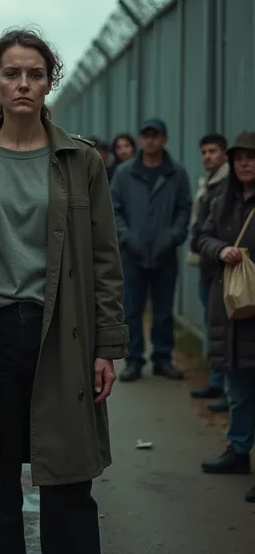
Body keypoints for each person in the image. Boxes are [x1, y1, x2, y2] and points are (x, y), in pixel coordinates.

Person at [0, 28, 128, 554]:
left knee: (67, 480)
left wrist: (108, 347)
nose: (23, 84)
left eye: (35, 74)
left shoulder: (82, 163)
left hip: (62, 332)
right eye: (11, 73)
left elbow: (105, 262)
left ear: (48, 84)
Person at [111, 118, 192, 382]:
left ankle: (163, 358)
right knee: (132, 310)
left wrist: (173, 236)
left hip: (165, 253)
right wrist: (126, 237)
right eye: (145, 135)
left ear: (164, 139)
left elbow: (184, 208)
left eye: (155, 135)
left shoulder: (176, 173)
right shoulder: (124, 173)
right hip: (132, 255)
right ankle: (134, 360)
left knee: (163, 311)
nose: (149, 140)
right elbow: (114, 208)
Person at [198, 132, 255, 504]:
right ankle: (237, 452)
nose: (244, 163)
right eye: (239, 159)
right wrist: (221, 250)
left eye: (251, 157)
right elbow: (199, 239)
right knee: (236, 387)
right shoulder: (221, 201)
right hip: (231, 308)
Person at [188, 134, 229, 409]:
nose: (207, 157)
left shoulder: (226, 185)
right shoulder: (211, 183)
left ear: (225, 153)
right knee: (214, 326)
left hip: (220, 267)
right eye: (203, 152)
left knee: (226, 329)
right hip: (207, 264)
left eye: (212, 151)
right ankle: (217, 381)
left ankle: (227, 389)